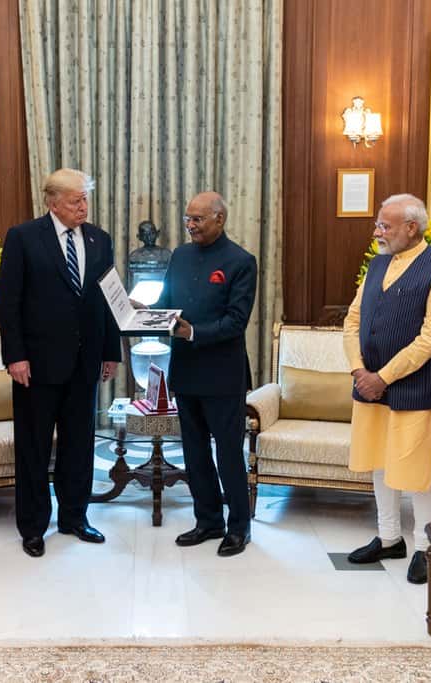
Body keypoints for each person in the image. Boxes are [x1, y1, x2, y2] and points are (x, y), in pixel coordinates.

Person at [0, 168, 121, 558]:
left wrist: (110, 351)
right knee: (34, 447)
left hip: (85, 362)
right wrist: (15, 355)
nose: (83, 207)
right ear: (52, 203)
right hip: (36, 364)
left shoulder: (100, 239)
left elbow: (109, 299)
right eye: (75, 200)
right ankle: (33, 526)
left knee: (80, 444)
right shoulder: (23, 237)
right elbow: (9, 302)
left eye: (85, 199)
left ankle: (74, 517)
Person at [343, 194, 431, 584]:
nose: (377, 232)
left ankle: (426, 547)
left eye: (385, 226)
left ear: (412, 228)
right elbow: (352, 320)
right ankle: (389, 536)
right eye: (378, 224)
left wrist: (383, 377)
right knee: (380, 460)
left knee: (419, 469)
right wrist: (360, 370)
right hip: (370, 384)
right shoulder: (377, 265)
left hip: (416, 386)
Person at [152, 192, 258, 557]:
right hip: (185, 371)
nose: (191, 225)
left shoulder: (242, 261)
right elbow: (166, 305)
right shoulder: (179, 256)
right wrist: (144, 312)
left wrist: (193, 332)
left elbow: (236, 321)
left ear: (219, 219)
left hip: (223, 376)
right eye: (188, 219)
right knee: (194, 453)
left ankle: (238, 528)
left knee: (228, 454)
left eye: (198, 219)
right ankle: (208, 521)